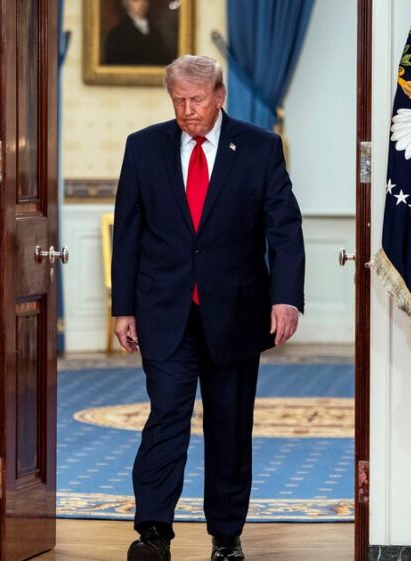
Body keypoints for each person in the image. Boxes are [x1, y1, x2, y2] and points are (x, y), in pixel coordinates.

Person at [111, 55, 305, 561]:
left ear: (220, 96)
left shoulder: (260, 148)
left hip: (237, 312)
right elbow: (129, 233)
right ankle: (153, 531)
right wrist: (123, 307)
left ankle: (226, 535)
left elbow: (284, 229)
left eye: (196, 100)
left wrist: (285, 298)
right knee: (166, 417)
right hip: (164, 311)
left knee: (229, 424)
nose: (187, 111)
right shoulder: (143, 147)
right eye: (178, 100)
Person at [104, 0, 174, 66]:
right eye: (136, 0)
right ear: (126, 3)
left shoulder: (155, 31)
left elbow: (165, 59)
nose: (141, 4)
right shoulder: (116, 34)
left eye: (144, 0)